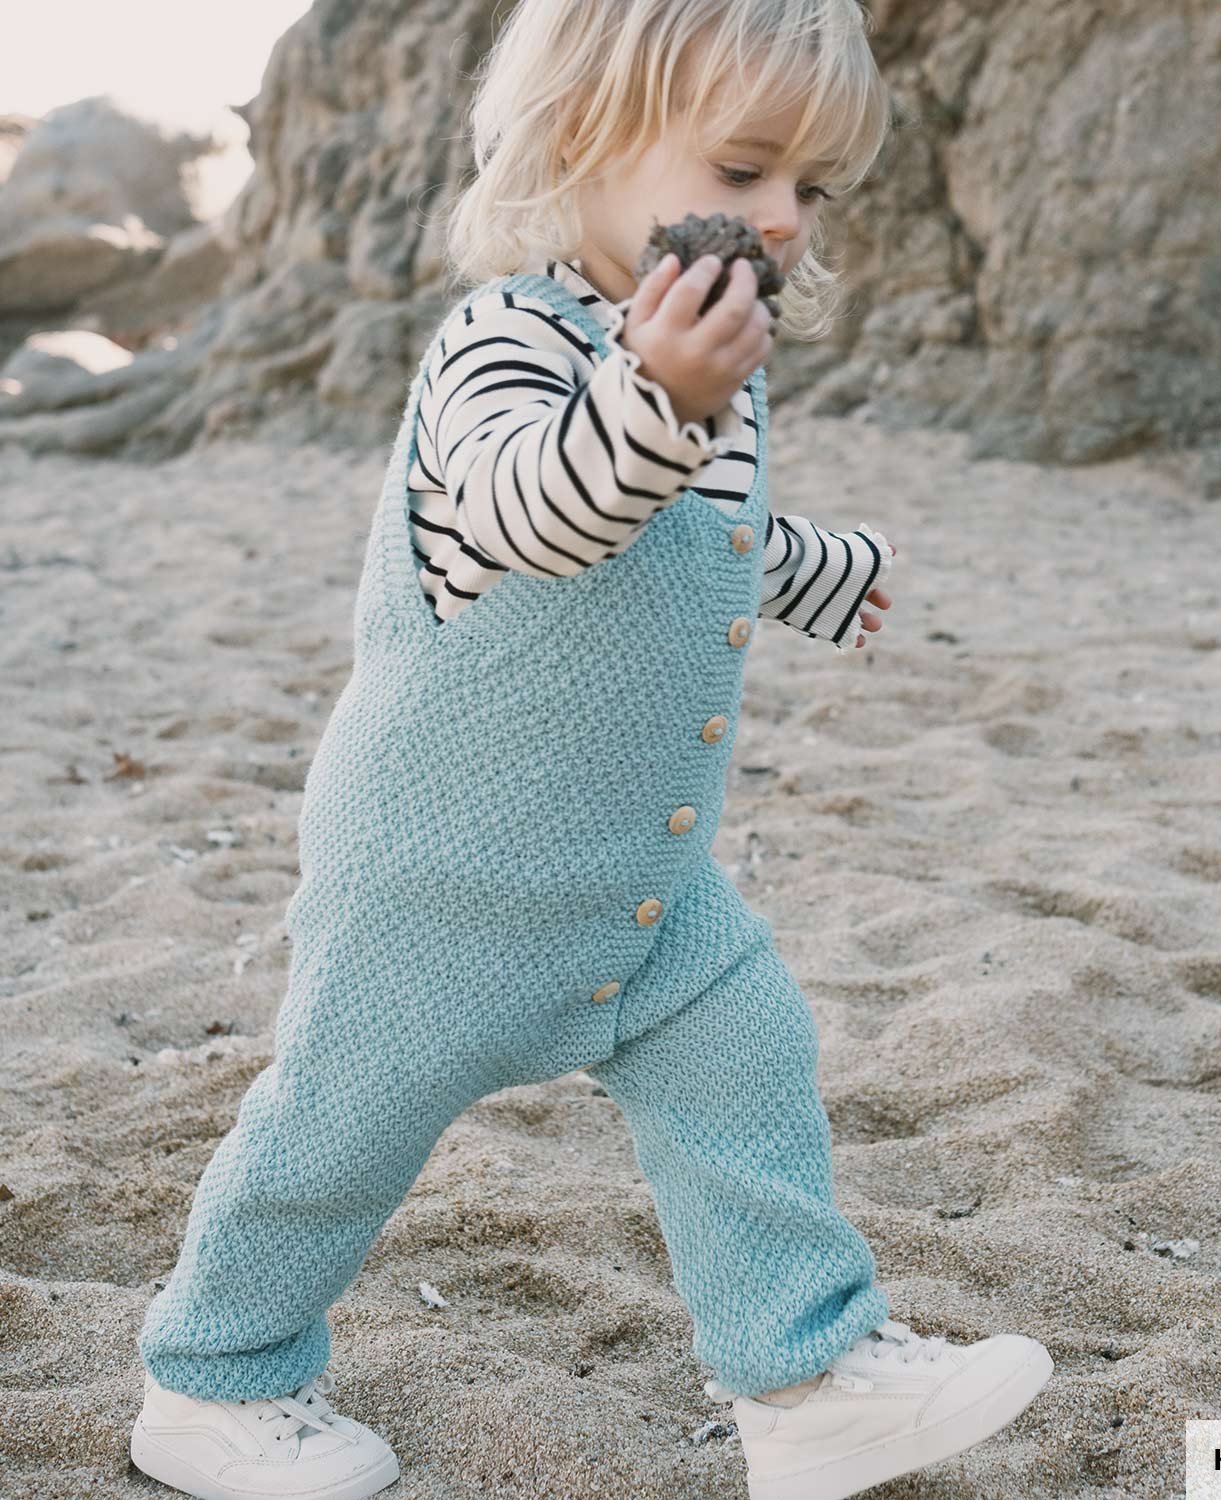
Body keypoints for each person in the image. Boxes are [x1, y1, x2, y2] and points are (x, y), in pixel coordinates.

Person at [129, 2, 1054, 1497]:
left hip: (641, 883)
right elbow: (532, 515)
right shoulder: (502, 343)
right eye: (746, 169)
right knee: (332, 1139)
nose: (782, 222)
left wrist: (819, 566)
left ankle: (806, 1382)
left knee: (747, 1066)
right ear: (583, 139)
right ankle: (213, 1385)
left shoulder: (702, 373)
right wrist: (661, 403)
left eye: (812, 191)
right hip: (441, 878)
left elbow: (691, 536)